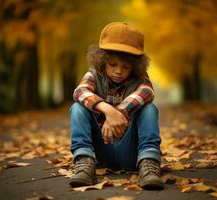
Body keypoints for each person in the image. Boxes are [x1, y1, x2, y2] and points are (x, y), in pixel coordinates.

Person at [69, 22, 163, 190]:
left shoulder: (139, 78)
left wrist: (119, 112)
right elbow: (80, 91)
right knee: (77, 108)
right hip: (101, 151)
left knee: (150, 109)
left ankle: (148, 163)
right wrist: (107, 109)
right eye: (113, 65)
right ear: (102, 60)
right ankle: (84, 162)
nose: (118, 71)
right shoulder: (94, 74)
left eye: (126, 67)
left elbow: (148, 91)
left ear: (135, 66)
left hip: (130, 153)